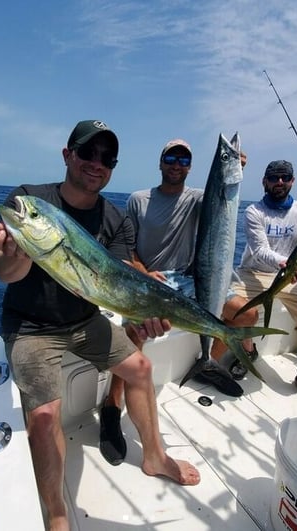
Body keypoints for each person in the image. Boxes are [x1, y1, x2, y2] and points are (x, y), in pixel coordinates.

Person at [0, 120, 200, 531]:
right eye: (88, 153)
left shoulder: (116, 218)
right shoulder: (30, 200)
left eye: (107, 158)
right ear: (68, 155)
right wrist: (17, 253)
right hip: (32, 327)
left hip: (86, 319)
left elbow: (119, 275)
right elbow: (4, 272)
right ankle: (58, 514)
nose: (96, 163)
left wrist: (144, 308)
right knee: (47, 413)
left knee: (140, 369)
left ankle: (154, 456)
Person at [99, 138, 259, 466]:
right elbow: (126, 246)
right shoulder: (138, 200)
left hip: (191, 278)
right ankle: (112, 406)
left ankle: (207, 364)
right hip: (151, 279)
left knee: (247, 315)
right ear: (160, 163)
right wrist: (144, 273)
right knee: (133, 336)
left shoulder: (200, 199)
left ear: (190, 167)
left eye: (183, 160)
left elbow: (223, 201)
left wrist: (235, 168)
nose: (176, 164)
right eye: (171, 158)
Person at [230, 159, 297, 416]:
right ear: (264, 182)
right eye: (274, 177)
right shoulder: (254, 211)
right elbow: (259, 250)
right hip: (254, 272)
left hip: (292, 277)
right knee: (237, 309)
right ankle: (249, 351)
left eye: (285, 177)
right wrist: (286, 263)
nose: (280, 182)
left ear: (292, 181)